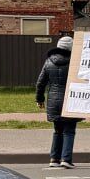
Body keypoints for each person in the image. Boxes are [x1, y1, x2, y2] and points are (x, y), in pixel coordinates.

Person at [36, 35, 80, 169]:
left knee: (57, 130)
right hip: (70, 100)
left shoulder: (49, 61)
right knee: (69, 130)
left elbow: (40, 82)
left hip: (53, 101)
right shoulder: (75, 62)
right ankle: (66, 159)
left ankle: (54, 158)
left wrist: (40, 99)